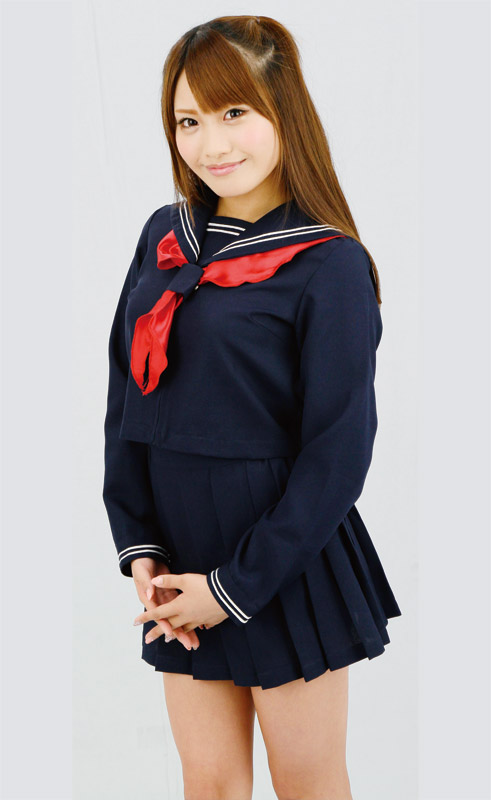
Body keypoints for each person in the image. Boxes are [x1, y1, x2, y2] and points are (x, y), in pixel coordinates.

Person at [102, 14, 402, 800]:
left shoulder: (329, 262)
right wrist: (139, 546)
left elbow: (339, 449)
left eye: (234, 112)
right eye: (188, 121)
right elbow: (125, 393)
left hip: (282, 554)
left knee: (305, 784)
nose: (211, 144)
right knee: (208, 783)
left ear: (281, 108)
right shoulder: (164, 235)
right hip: (179, 549)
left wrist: (232, 586)